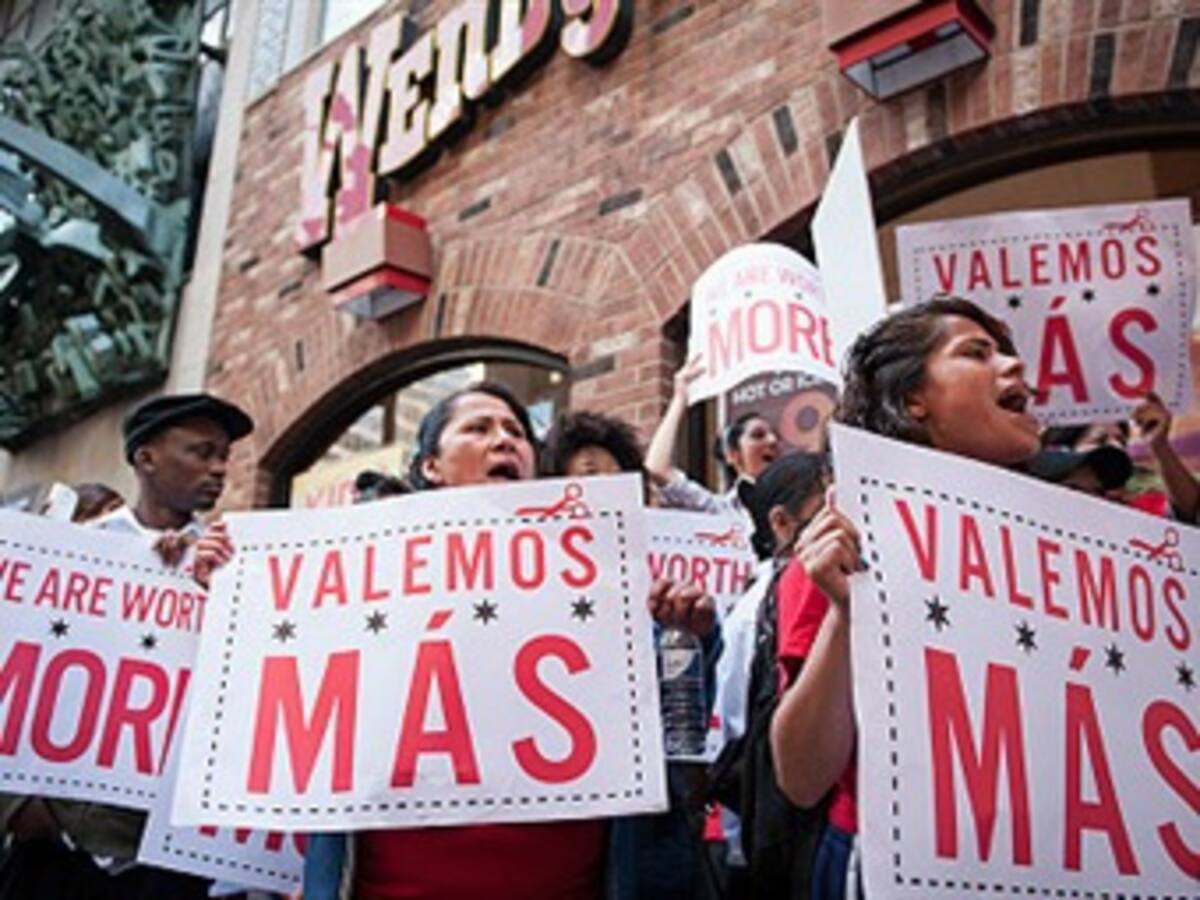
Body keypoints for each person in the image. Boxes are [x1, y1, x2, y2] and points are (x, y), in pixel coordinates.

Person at [187, 382, 714, 899]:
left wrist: (684, 639)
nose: (505, 440)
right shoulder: (364, 573)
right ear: (431, 466)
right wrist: (238, 600)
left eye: (516, 431)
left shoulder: (596, 575)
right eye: (478, 427)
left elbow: (674, 738)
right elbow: (288, 709)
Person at [770, 297, 1041, 900]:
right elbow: (802, 778)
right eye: (976, 352)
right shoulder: (841, 544)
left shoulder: (1067, 558)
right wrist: (848, 612)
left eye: (1008, 349)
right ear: (913, 399)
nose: (1017, 366)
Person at [0, 392, 253, 900]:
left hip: (169, 855)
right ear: (146, 458)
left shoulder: (237, 565)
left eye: (224, 456)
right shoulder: (67, 549)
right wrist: (17, 805)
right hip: (58, 851)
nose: (219, 468)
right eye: (202, 453)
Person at [708, 452, 828, 893]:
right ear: (781, 522)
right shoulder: (754, 612)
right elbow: (737, 729)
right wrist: (739, 845)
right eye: (825, 510)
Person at [645, 359, 780, 529]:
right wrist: (680, 398)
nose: (773, 441)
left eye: (775, 436)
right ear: (732, 454)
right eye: (758, 435)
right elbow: (657, 468)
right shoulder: (719, 512)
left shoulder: (800, 503)